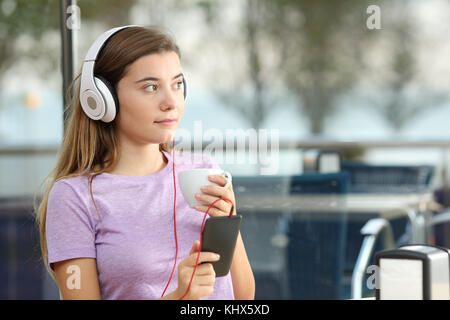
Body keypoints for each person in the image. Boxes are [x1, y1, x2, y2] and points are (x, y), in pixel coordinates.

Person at [34, 25, 255, 300]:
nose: (171, 101)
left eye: (176, 84)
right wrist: (179, 298)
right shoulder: (74, 196)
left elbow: (244, 298)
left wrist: (228, 221)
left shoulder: (204, 172)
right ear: (103, 99)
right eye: (150, 87)